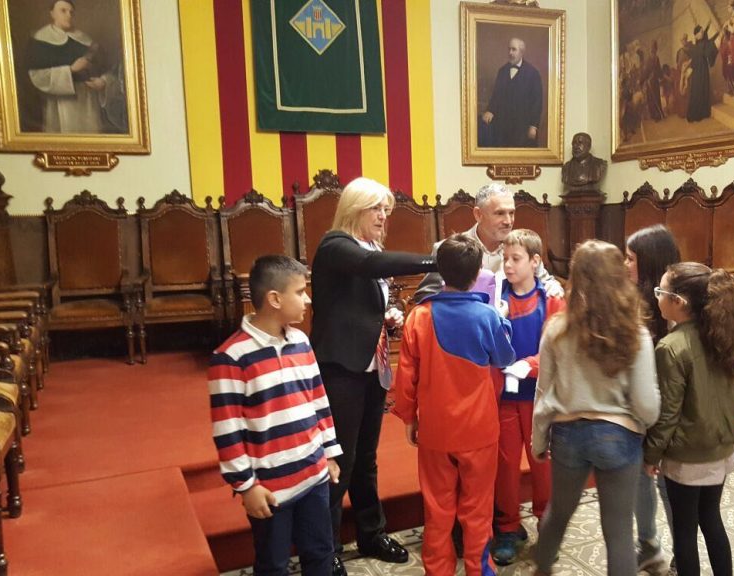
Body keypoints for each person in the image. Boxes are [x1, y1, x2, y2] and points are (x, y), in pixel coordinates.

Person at [310, 177, 437, 576]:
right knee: (339, 460)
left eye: (386, 210)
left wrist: (384, 318)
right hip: (342, 369)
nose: (383, 217)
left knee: (365, 458)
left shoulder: (369, 249)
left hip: (370, 367)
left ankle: (371, 533)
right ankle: (326, 550)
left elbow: (357, 301)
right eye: (376, 209)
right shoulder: (335, 245)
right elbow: (367, 267)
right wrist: (435, 261)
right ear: (354, 209)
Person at [532, 240, 660, 576]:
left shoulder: (556, 329)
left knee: (558, 513)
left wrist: (538, 440)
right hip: (619, 435)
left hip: (568, 432)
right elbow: (646, 404)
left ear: (576, 277)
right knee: (618, 532)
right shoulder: (635, 332)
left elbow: (544, 393)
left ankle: (542, 568)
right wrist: (646, 426)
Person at [208, 255, 342, 576]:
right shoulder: (231, 357)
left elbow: (318, 399)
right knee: (273, 565)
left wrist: (329, 452)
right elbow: (228, 431)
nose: (307, 300)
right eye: (300, 292)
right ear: (274, 299)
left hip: (313, 475)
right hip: (270, 488)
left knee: (320, 553)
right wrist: (246, 486)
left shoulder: (301, 341)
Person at [392, 233, 516, 576]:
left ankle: (438, 571)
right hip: (479, 429)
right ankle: (479, 569)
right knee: (478, 509)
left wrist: (408, 418)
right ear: (477, 272)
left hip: (435, 430)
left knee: (437, 509)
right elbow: (505, 357)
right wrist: (503, 320)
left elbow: (406, 377)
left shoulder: (419, 316)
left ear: (438, 271)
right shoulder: (487, 315)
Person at [644, 262, 734, 576]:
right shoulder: (722, 334)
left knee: (685, 531)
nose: (657, 297)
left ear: (679, 302)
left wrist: (651, 455)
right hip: (719, 445)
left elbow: (668, 413)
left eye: (661, 291)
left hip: (687, 455)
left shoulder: (671, 346)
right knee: (711, 518)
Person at [490, 229, 566, 566]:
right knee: (505, 466)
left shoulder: (551, 298)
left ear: (535, 262)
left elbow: (558, 347)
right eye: (505, 258)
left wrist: (530, 365)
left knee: (543, 464)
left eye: (516, 259)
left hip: (540, 397)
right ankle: (507, 527)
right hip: (505, 398)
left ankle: (547, 525)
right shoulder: (494, 296)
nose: (508, 265)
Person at [625, 225, 682, 573]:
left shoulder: (674, 306)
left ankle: (683, 555)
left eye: (630, 259)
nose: (625, 264)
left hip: (668, 412)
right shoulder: (631, 298)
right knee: (638, 478)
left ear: (648, 263)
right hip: (639, 407)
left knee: (667, 484)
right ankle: (647, 544)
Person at [413, 182, 561, 302]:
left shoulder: (523, 248)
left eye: (511, 213)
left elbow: (546, 281)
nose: (508, 221)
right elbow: (424, 296)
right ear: (478, 214)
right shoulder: (448, 249)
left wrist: (553, 288)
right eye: (500, 213)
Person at [27, 0, 113, 133]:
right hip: (61, 101)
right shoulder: (41, 38)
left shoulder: (85, 39)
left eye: (71, 12)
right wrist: (71, 70)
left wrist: (102, 81)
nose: (69, 15)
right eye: (63, 11)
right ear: (52, 13)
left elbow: (105, 68)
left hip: (88, 100)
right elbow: (37, 75)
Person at [482, 38, 543, 148]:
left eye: (514, 49)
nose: (510, 53)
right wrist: (490, 110)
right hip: (503, 126)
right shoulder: (502, 71)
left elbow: (537, 102)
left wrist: (533, 126)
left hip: (523, 127)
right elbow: (496, 95)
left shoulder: (533, 73)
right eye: (509, 49)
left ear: (521, 52)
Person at [686, 24, 720, 123]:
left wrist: (718, 34)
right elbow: (693, 58)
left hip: (703, 69)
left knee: (703, 88)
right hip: (697, 70)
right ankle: (695, 113)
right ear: (696, 34)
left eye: (702, 31)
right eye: (700, 32)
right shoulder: (694, 46)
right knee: (696, 90)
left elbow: (711, 44)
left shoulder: (704, 43)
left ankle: (703, 112)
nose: (702, 33)